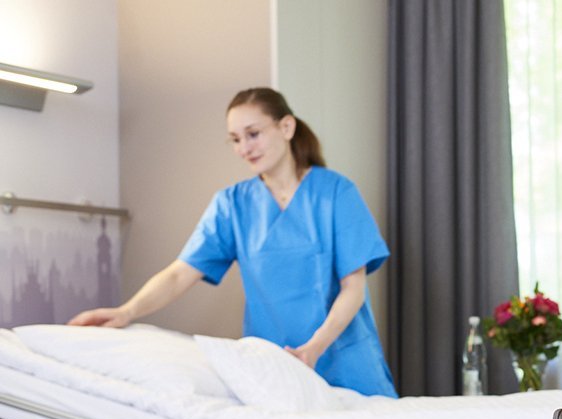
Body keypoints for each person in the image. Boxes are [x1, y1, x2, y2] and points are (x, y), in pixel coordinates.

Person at [69, 87, 396, 398]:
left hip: (344, 359)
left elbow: (353, 288)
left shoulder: (336, 193)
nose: (244, 148)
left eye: (253, 134)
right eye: (235, 140)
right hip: (273, 364)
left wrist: (313, 350)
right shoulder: (233, 204)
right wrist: (126, 312)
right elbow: (181, 273)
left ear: (286, 126)